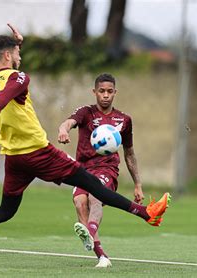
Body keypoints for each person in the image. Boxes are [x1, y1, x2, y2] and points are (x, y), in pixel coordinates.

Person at [0, 24, 171, 265]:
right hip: (38, 151)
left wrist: (16, 44)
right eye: (17, 53)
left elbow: (4, 82)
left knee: (5, 211)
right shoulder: (19, 78)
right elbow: (11, 87)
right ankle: (146, 214)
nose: (20, 57)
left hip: (14, 157)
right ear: (7, 55)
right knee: (93, 184)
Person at [58, 73, 146, 268]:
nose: (105, 95)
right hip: (82, 169)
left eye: (109, 91)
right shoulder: (85, 113)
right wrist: (63, 130)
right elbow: (68, 122)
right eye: (101, 91)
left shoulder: (124, 120)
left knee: (94, 197)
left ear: (115, 93)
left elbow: (129, 154)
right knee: (80, 203)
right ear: (94, 92)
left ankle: (89, 229)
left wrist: (137, 184)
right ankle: (102, 257)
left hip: (107, 168)